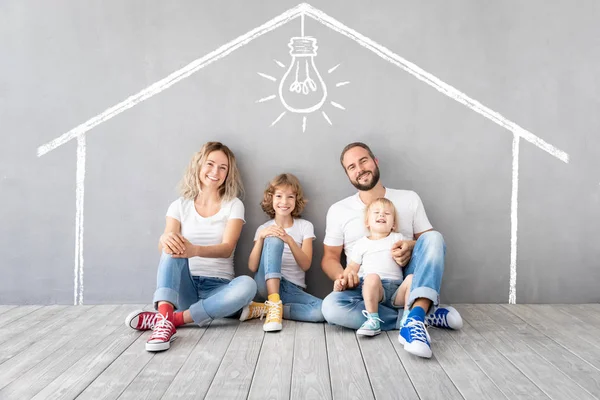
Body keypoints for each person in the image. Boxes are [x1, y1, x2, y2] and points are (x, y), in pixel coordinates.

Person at [321, 142, 462, 359]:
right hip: (365, 287)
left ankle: (414, 316)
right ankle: (421, 315)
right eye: (351, 167)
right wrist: (344, 276)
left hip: (405, 279)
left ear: (375, 162)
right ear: (348, 175)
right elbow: (329, 257)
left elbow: (429, 244)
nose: (359, 169)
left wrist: (410, 245)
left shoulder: (409, 198)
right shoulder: (339, 210)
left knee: (434, 237)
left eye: (363, 160)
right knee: (330, 307)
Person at [124, 142, 256, 352]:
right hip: (186, 288)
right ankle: (166, 318)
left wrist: (195, 250)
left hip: (218, 289)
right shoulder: (180, 205)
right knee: (171, 244)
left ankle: (169, 320)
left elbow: (227, 248)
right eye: (210, 164)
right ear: (198, 165)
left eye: (223, 167)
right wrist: (165, 239)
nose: (215, 172)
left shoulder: (233, 204)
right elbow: (164, 246)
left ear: (228, 173)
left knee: (248, 285)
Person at [241, 173, 324, 332]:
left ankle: (269, 310)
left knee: (322, 311)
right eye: (279, 196)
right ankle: (272, 301)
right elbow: (252, 267)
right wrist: (261, 238)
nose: (284, 202)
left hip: (291, 289)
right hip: (264, 283)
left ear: (296, 200)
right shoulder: (263, 229)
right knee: (273, 238)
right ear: (271, 199)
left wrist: (289, 239)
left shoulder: (305, 226)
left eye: (290, 197)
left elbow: (305, 264)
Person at [333, 197, 413, 337]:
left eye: (387, 214)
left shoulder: (397, 238)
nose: (381, 215)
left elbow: (414, 246)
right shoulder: (361, 244)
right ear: (367, 222)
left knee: (412, 279)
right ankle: (373, 320)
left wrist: (410, 245)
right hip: (376, 290)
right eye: (376, 212)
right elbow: (352, 267)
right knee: (371, 277)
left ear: (393, 224)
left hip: (397, 291)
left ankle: (408, 319)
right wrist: (342, 280)